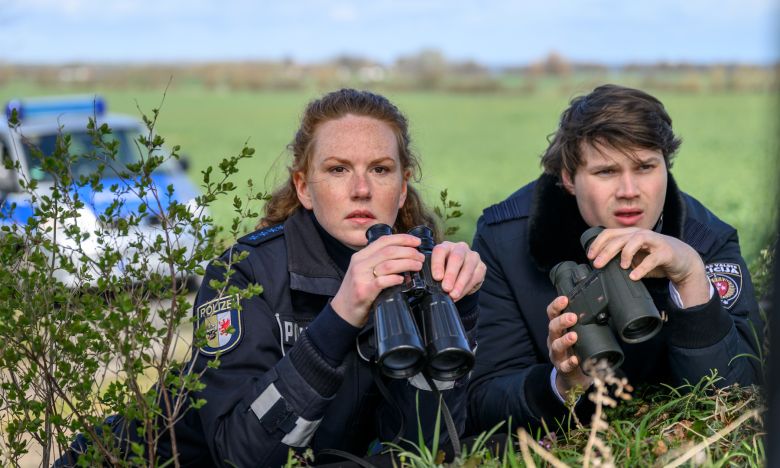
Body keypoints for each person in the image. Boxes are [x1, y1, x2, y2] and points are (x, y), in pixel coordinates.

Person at [153, 88, 482, 467]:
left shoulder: (418, 277)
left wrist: (459, 309)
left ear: (403, 187)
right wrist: (340, 317)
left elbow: (431, 451)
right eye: (338, 169)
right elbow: (239, 455)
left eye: (380, 169)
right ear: (304, 187)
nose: (361, 190)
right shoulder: (244, 274)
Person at [466, 84, 763, 435]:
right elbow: (483, 400)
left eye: (645, 167)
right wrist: (561, 385)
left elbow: (738, 399)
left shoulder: (705, 239)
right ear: (568, 178)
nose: (628, 191)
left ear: (665, 167)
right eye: (606, 171)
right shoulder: (506, 240)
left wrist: (691, 281)